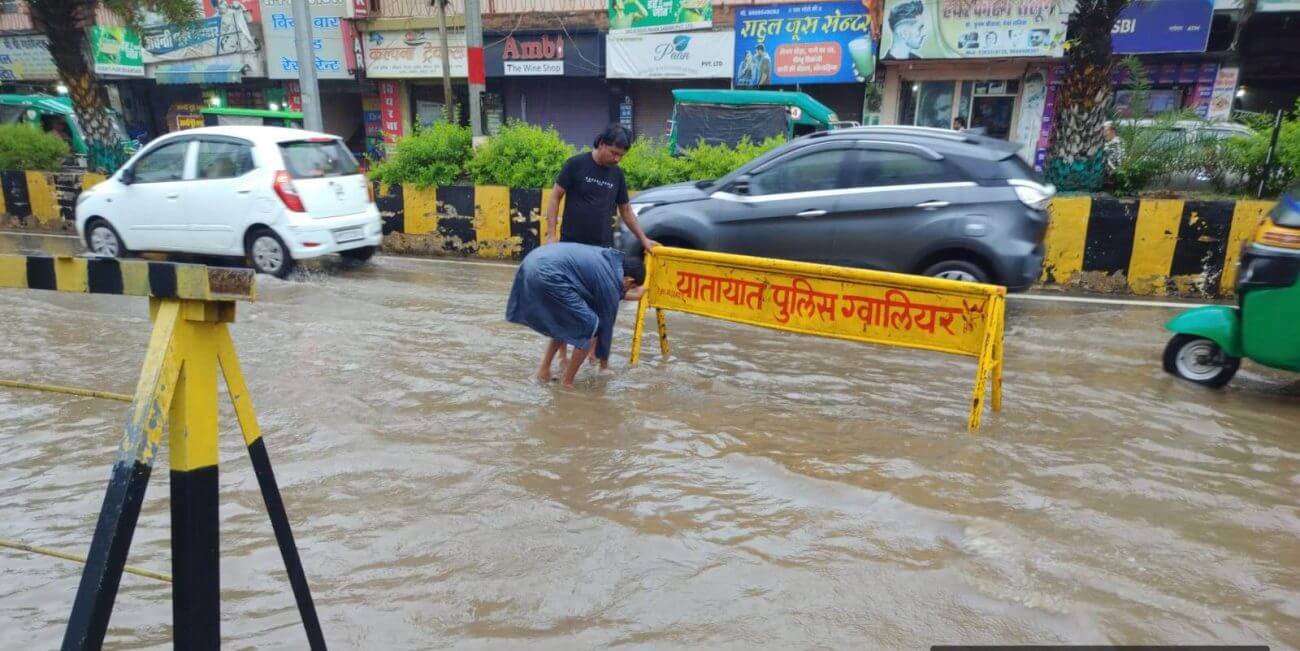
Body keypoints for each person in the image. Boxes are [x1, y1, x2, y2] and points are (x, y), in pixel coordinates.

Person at [506, 243, 647, 387]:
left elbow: (611, 292)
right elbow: (606, 325)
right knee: (591, 327)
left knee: (566, 321)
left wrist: (634, 296)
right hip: (549, 274)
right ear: (629, 280)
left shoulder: (609, 261)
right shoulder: (610, 279)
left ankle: (544, 370)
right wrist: (603, 365)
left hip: (531, 262)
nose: (629, 290)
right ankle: (567, 383)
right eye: (632, 288)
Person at [545, 124, 656, 252]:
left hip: (602, 249)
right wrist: (551, 235)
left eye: (621, 155)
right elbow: (555, 197)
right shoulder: (575, 164)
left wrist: (643, 239)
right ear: (602, 143)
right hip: (571, 245)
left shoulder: (617, 174)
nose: (617, 159)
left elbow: (625, 210)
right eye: (614, 153)